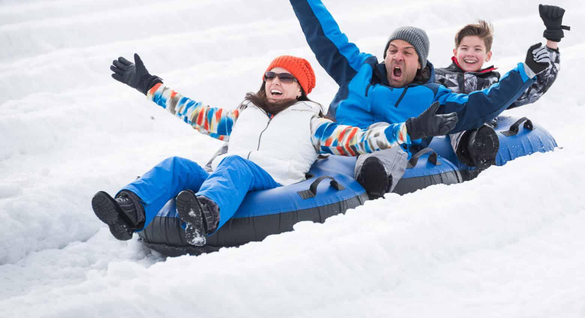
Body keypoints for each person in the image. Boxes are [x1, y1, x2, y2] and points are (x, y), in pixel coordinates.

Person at [92, 54, 457, 247]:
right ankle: (129, 212)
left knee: (235, 164)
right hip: (226, 174)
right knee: (176, 165)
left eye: (285, 78)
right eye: (270, 76)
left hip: (269, 179)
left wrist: (411, 129)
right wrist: (147, 84)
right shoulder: (242, 115)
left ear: (300, 89)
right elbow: (191, 110)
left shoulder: (313, 122)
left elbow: (360, 139)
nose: (275, 82)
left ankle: (205, 217)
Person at [279, 0, 556, 198]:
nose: (397, 57)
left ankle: (373, 177)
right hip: (333, 142)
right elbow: (324, 34)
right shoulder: (357, 70)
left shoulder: (432, 97)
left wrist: (525, 71)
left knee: (387, 144)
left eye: (407, 53)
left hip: (378, 148)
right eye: (393, 50)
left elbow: (482, 104)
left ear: (420, 63)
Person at [434, 10, 566, 175]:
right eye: (464, 48)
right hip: (448, 126)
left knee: (478, 123)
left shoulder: (492, 84)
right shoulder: (440, 77)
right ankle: (472, 144)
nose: (470, 54)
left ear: (487, 55)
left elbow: (534, 90)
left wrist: (552, 41)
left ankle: (481, 147)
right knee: (460, 118)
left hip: (483, 129)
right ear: (455, 52)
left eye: (477, 49)